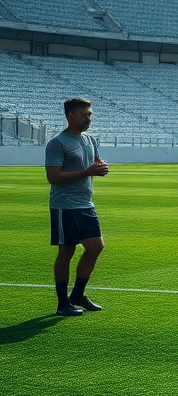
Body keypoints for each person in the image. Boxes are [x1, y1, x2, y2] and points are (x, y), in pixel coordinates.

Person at [46, 98, 109, 317]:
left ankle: (78, 294)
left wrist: (100, 167)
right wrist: (87, 172)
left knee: (95, 247)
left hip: (85, 204)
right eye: (85, 114)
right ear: (71, 116)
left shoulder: (90, 139)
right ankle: (63, 303)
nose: (89, 118)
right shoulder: (58, 143)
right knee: (67, 251)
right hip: (65, 206)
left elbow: (94, 163)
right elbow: (53, 177)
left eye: (90, 114)